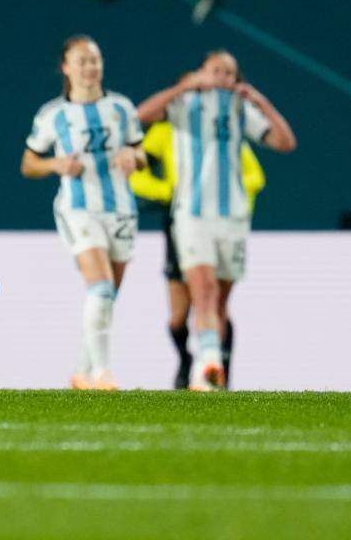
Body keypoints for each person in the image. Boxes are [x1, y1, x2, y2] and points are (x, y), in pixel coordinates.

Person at [137, 51, 296, 390]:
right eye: (215, 70)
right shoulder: (184, 106)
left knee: (220, 300)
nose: (221, 77)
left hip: (234, 218)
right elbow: (142, 116)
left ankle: (213, 369)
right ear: (201, 72)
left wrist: (261, 101)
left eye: (229, 72)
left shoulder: (241, 111)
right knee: (203, 291)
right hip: (191, 215)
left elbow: (285, 142)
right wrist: (186, 86)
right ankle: (206, 368)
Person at [21, 37, 146, 390]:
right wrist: (56, 164)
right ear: (66, 67)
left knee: (107, 298)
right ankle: (102, 374)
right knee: (102, 286)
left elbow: (140, 153)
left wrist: (132, 158)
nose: (90, 67)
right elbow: (28, 163)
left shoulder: (122, 108)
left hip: (121, 208)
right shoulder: (53, 115)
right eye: (82, 60)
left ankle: (81, 373)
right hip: (78, 208)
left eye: (95, 60)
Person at [130, 109, 264, 389]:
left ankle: (218, 371)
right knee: (179, 315)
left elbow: (255, 176)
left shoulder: (225, 135)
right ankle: (186, 359)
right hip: (182, 221)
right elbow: (135, 174)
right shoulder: (165, 131)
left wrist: (229, 195)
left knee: (215, 302)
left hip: (220, 222)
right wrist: (172, 192)